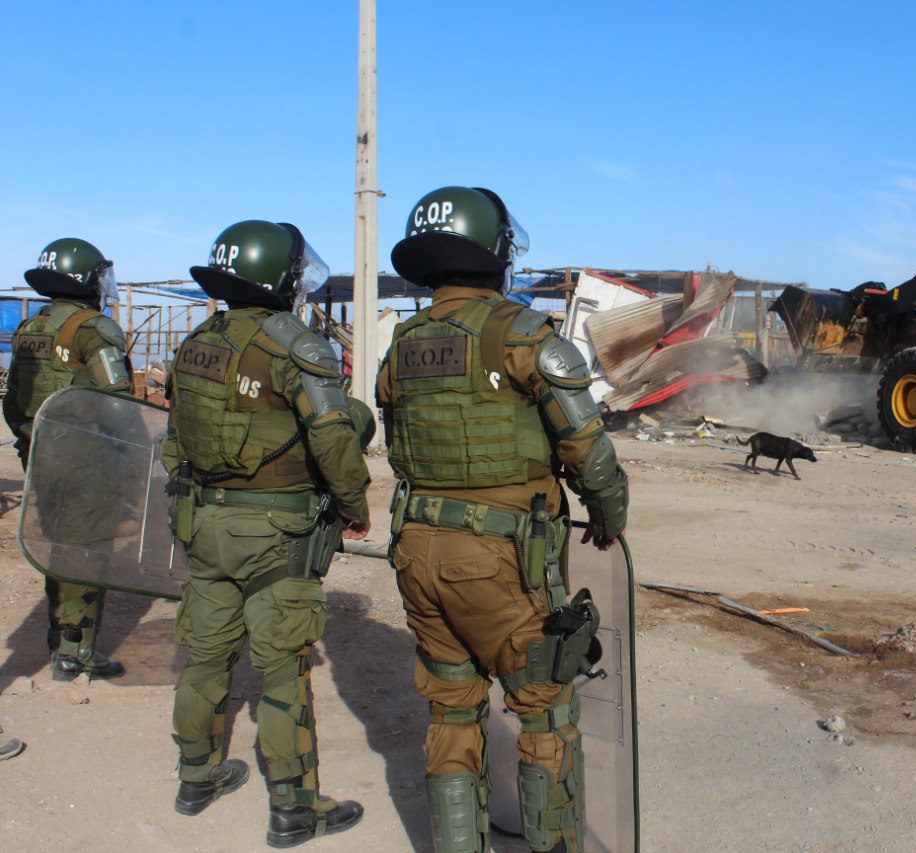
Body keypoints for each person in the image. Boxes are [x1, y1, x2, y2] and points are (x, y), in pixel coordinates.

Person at [380, 186, 629, 853]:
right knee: (545, 707)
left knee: (452, 709)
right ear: (494, 254)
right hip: (499, 560)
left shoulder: (401, 343)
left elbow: (397, 435)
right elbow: (589, 453)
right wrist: (608, 516)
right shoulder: (525, 336)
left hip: (416, 550)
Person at [162, 220, 371, 847]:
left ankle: (195, 776)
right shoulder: (298, 346)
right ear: (282, 277)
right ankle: (295, 810)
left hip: (204, 522)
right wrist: (356, 504)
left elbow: (174, 437)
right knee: (283, 670)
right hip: (275, 530)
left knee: (204, 657)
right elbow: (334, 435)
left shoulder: (197, 340)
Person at [3, 239, 130, 681]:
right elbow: (119, 406)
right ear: (87, 280)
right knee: (88, 552)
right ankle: (76, 652)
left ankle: (58, 640)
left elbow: (13, 403)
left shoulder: (30, 328)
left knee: (58, 549)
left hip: (40, 457)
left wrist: (29, 447)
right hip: (87, 462)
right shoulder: (94, 329)